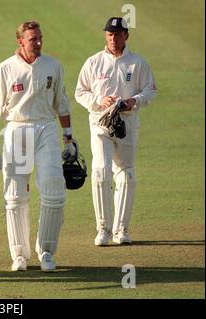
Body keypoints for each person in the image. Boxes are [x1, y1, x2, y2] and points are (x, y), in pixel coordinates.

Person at [0, 21, 78, 271]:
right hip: (17, 129)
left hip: (46, 127)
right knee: (15, 197)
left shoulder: (53, 66)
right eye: (33, 39)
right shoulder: (5, 69)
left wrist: (68, 136)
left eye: (40, 38)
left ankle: (46, 251)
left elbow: (61, 103)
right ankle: (19, 255)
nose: (38, 43)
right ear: (20, 41)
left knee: (54, 192)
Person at [74, 17, 156, 246]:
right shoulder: (94, 62)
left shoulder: (137, 63)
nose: (113, 38)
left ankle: (122, 230)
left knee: (126, 173)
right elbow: (80, 92)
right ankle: (103, 229)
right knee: (100, 171)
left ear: (126, 36)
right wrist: (100, 99)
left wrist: (134, 101)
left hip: (127, 124)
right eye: (109, 34)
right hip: (100, 123)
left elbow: (150, 91)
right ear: (105, 36)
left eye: (118, 34)